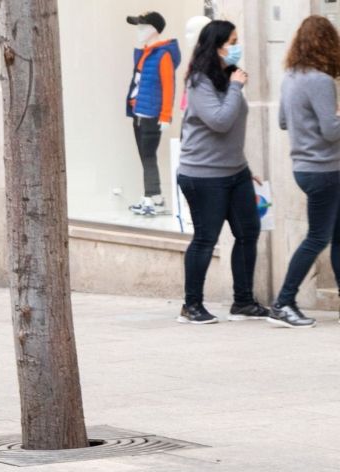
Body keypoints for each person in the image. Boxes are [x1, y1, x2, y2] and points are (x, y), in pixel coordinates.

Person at [176, 20, 268, 324]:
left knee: (248, 232)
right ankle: (191, 306)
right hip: (202, 175)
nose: (236, 46)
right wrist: (237, 87)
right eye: (232, 41)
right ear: (216, 44)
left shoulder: (225, 77)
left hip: (235, 172)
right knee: (205, 238)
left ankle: (243, 301)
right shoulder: (199, 81)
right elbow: (220, 121)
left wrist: (247, 167)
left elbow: (232, 132)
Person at [268, 15, 340, 328]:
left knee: (337, 236)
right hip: (326, 168)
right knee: (318, 238)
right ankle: (283, 301)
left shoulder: (291, 77)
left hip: (305, 167)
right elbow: (331, 131)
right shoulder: (320, 80)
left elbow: (283, 121)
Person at [125, 11, 181, 216]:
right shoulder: (146, 53)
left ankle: (149, 197)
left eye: (143, 27)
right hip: (139, 112)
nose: (139, 31)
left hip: (151, 115)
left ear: (154, 29)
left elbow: (169, 87)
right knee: (145, 156)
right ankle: (155, 196)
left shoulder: (163, 55)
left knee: (148, 156)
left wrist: (166, 115)